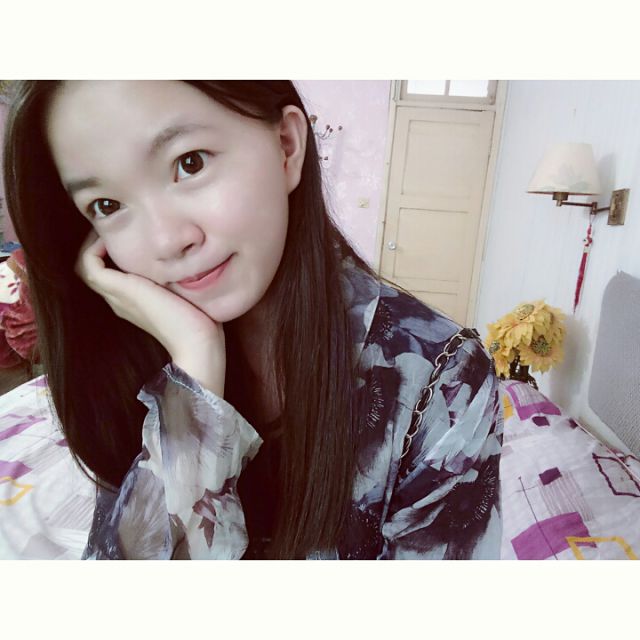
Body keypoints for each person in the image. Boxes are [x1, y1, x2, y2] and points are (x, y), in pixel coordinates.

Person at [2, 80, 503, 559]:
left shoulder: (443, 379)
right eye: (107, 205)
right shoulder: (120, 355)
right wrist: (194, 376)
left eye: (190, 163)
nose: (166, 241)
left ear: (286, 146)